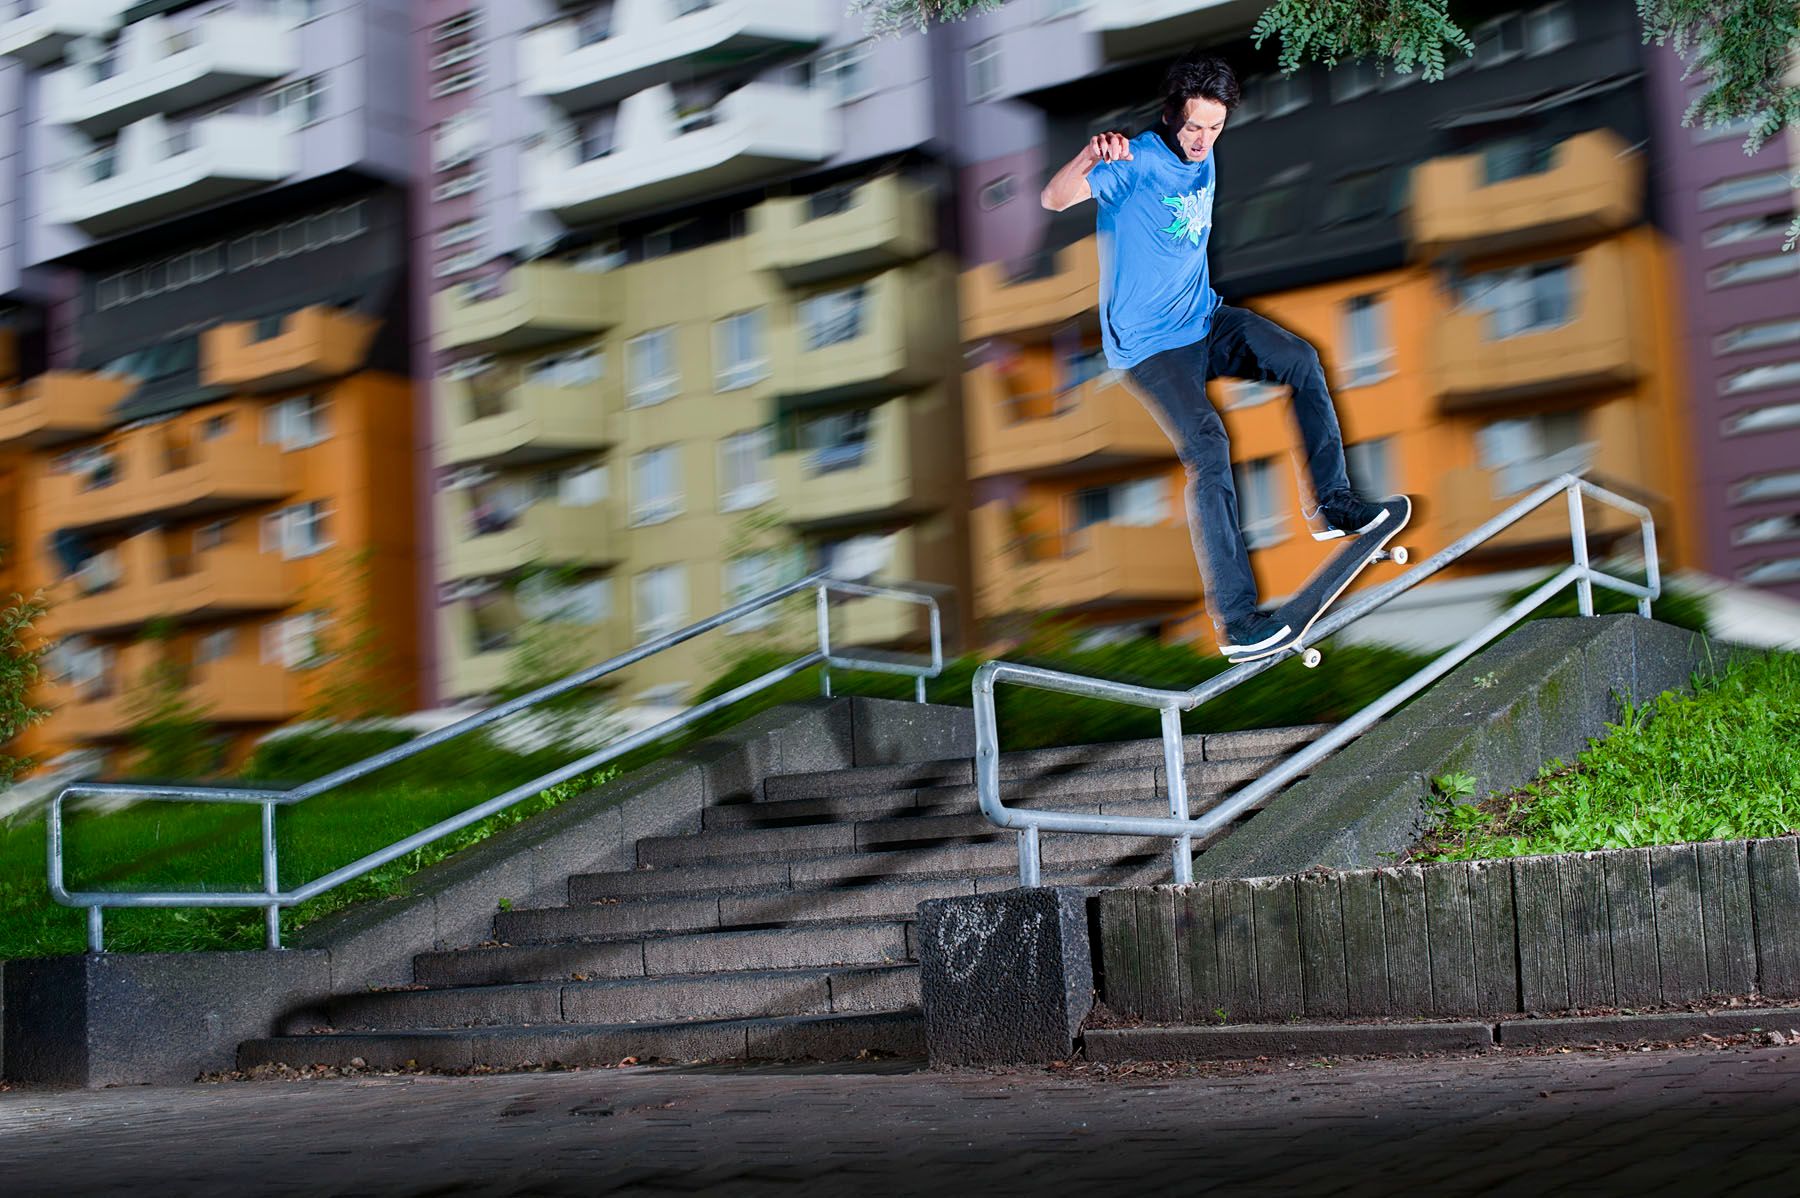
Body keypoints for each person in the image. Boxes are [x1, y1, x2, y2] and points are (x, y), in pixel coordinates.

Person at [1039, 50, 1397, 662]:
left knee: (1300, 359)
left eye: (1215, 127)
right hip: (1151, 347)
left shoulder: (1205, 147)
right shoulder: (1135, 161)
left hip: (1204, 318)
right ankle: (1237, 621)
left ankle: (1333, 505)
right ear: (1169, 116)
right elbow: (1054, 198)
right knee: (1208, 448)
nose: (1203, 140)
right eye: (1193, 127)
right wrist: (1091, 155)